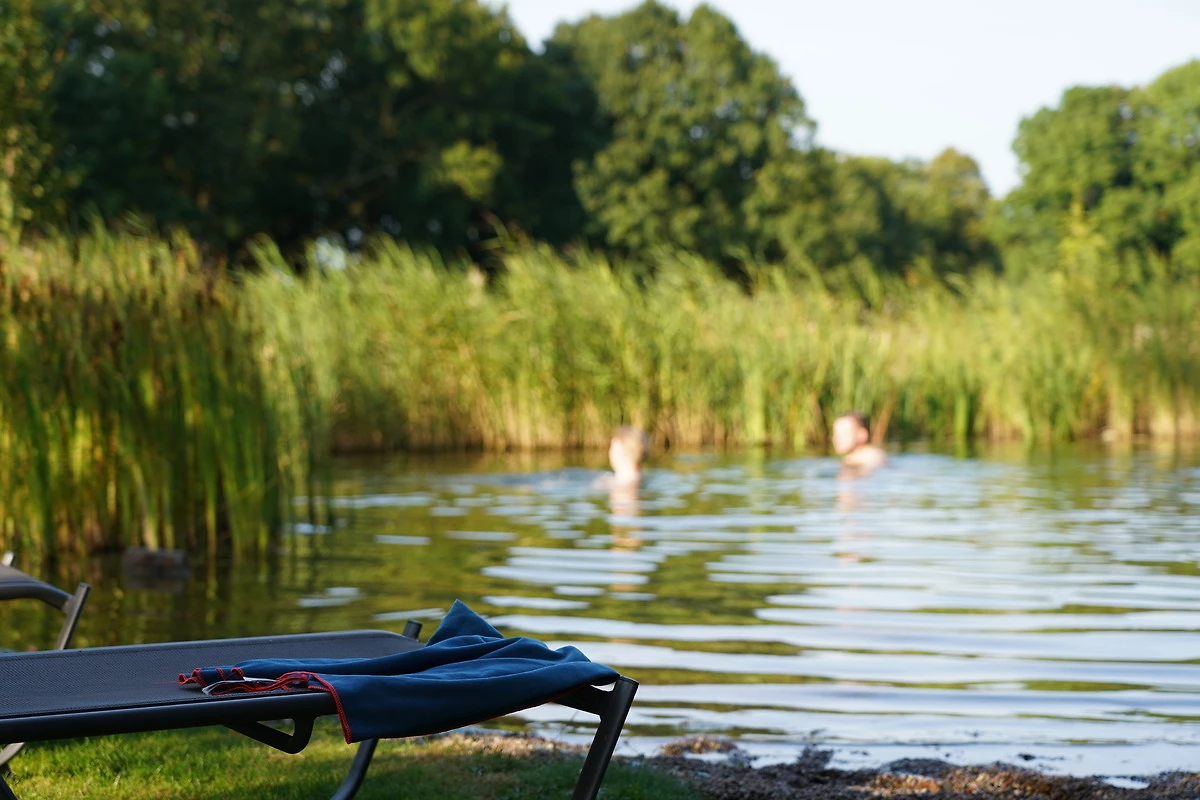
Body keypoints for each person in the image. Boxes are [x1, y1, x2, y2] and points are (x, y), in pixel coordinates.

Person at [832, 412, 887, 477]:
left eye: (843, 433)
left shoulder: (869, 456)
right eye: (835, 433)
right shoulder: (852, 458)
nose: (836, 438)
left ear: (862, 434)